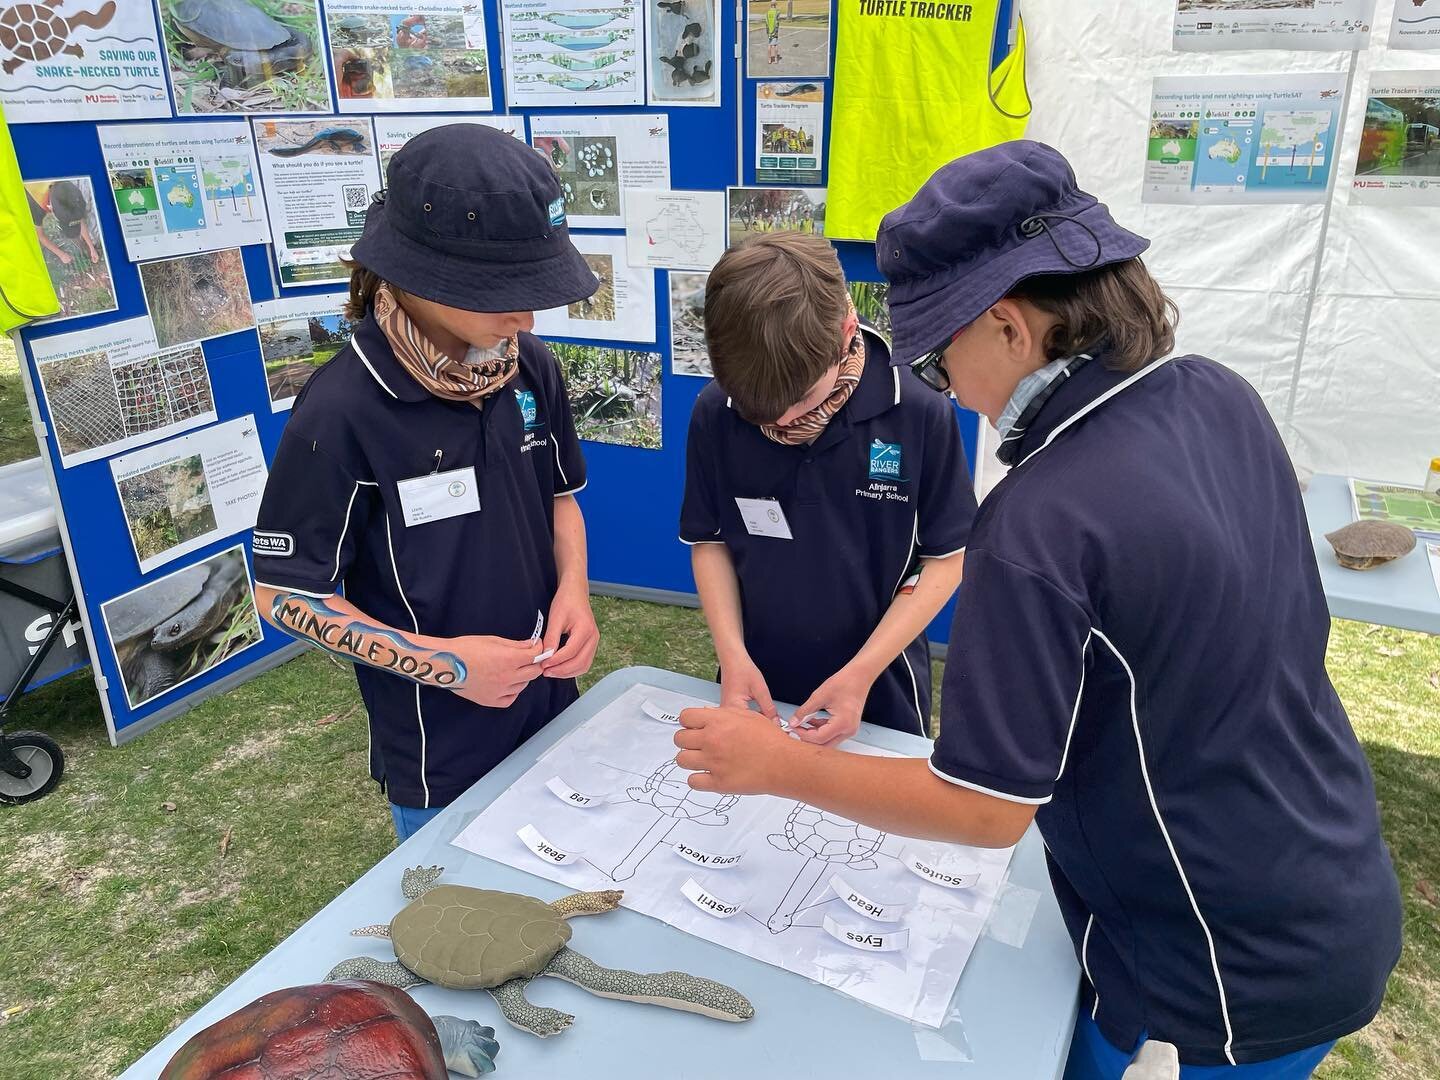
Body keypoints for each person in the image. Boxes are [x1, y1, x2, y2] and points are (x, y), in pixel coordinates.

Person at [672, 142, 1401, 1078]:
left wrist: (775, 766)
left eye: (939, 363)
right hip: (1324, 870)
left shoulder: (1042, 518)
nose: (947, 390)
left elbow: (983, 812)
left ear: (1012, 331)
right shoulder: (1216, 392)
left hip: (1216, 958)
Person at [251, 125, 602, 842]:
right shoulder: (345, 406)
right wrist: (447, 666)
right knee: (461, 932)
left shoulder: (529, 365)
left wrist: (575, 593)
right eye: (506, 292)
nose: (527, 317)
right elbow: (284, 593)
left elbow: (559, 498)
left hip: (552, 708)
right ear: (421, 276)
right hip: (438, 751)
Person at [680, 233, 973, 744]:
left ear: (846, 332)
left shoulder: (919, 409)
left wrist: (860, 675)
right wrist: (732, 655)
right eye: (757, 410)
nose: (781, 419)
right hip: (757, 681)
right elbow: (711, 540)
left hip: (879, 687)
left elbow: (946, 559)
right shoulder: (715, 411)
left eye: (801, 399)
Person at [27, 180, 99, 267]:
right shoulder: (36, 208)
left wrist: (92, 248)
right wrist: (61, 254)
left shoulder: (67, 189)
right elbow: (40, 235)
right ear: (51, 209)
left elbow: (78, 219)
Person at [765, 0, 781, 64]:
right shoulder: (777, 12)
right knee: (775, 45)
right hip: (775, 31)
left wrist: (768, 31)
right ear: (775, 5)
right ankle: (776, 59)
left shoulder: (768, 12)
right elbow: (777, 22)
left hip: (769, 31)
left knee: (769, 45)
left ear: (770, 5)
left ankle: (769, 59)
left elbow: (766, 22)